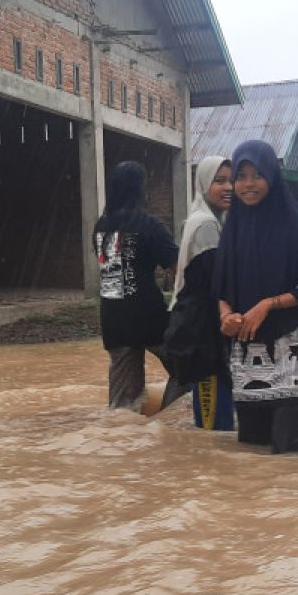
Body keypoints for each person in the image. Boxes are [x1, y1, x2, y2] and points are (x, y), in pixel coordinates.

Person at [213, 140, 298, 452]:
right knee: (253, 451)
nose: (248, 184)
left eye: (257, 175)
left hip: (294, 352)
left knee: (292, 454)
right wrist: (226, 315)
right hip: (249, 352)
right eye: (240, 176)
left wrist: (268, 304)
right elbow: (222, 285)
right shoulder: (234, 224)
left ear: (271, 175)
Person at [94, 161, 187, 411]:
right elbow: (180, 269)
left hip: (114, 320)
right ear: (140, 191)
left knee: (122, 405)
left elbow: (113, 272)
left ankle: (126, 439)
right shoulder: (150, 226)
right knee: (189, 365)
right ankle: (170, 420)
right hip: (149, 316)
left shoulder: (101, 227)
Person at [164, 156, 235, 430]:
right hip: (202, 331)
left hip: (198, 327)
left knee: (212, 419)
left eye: (231, 180)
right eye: (219, 181)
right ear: (204, 184)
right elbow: (219, 281)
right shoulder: (206, 224)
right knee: (213, 427)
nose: (228, 187)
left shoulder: (206, 219)